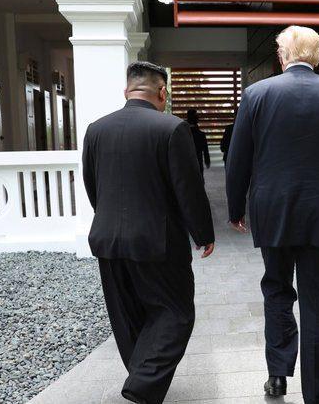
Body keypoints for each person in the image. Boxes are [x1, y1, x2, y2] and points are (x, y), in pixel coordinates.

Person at [225, 26, 319, 404]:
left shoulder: (257, 94)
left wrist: (236, 207)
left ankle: (277, 376)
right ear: (317, 56)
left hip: (273, 212)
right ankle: (317, 392)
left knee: (276, 289)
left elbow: (237, 158)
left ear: (281, 56)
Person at [82, 61, 215, 404]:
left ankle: (142, 378)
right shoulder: (172, 128)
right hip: (159, 243)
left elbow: (92, 186)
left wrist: (110, 220)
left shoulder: (96, 129)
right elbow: (188, 189)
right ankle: (142, 384)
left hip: (108, 240)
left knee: (127, 314)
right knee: (176, 313)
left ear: (126, 91)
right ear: (162, 92)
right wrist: (203, 233)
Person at [186, 109, 211, 178]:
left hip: (186, 164)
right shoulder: (201, 135)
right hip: (198, 163)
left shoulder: (183, 134)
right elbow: (205, 150)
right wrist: (207, 161)